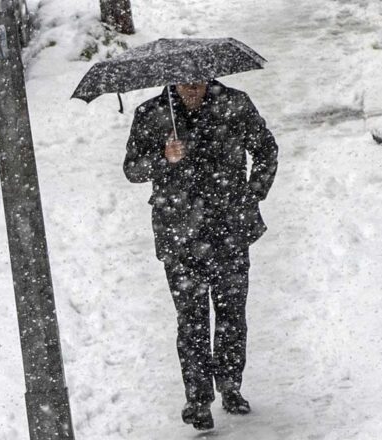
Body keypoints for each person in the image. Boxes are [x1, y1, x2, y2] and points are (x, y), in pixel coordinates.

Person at [124, 80, 278, 430]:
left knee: (231, 314)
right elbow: (132, 169)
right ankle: (197, 399)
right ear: (172, 81)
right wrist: (163, 157)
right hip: (179, 233)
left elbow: (266, 149)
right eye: (184, 83)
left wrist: (253, 193)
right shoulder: (151, 114)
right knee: (190, 320)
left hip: (230, 228)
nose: (191, 89)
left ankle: (230, 385)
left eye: (198, 82)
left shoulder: (234, 104)